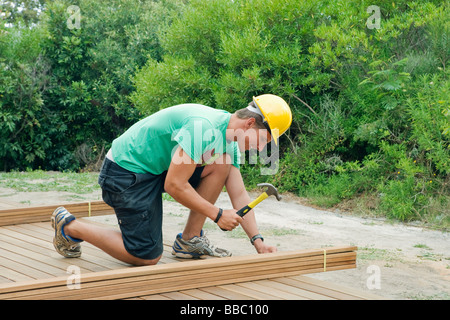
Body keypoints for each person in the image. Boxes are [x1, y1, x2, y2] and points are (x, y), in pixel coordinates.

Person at [51, 94, 292, 266]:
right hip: (125, 172)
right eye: (263, 141)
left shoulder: (229, 141)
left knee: (222, 165)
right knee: (146, 256)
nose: (260, 147)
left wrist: (258, 242)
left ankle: (189, 240)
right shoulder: (203, 128)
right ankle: (70, 227)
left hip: (155, 170)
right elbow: (174, 185)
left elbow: (239, 195)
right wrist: (218, 214)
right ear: (250, 123)